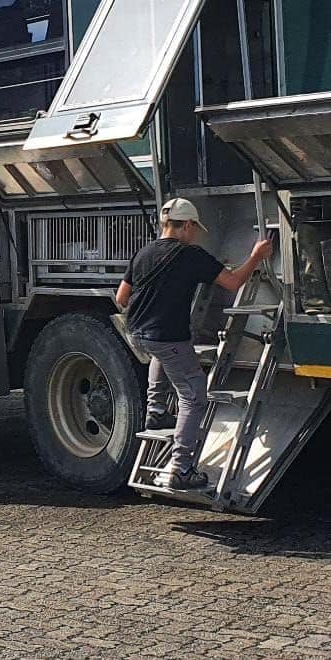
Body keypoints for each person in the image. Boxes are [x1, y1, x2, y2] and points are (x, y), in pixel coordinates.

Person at [114, 197, 273, 492]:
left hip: (137, 333)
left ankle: (156, 411)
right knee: (194, 395)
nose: (196, 234)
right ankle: (182, 468)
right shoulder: (191, 255)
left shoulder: (143, 252)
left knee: (160, 356)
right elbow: (234, 282)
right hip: (168, 336)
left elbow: (121, 298)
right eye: (195, 229)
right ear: (186, 225)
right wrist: (256, 256)